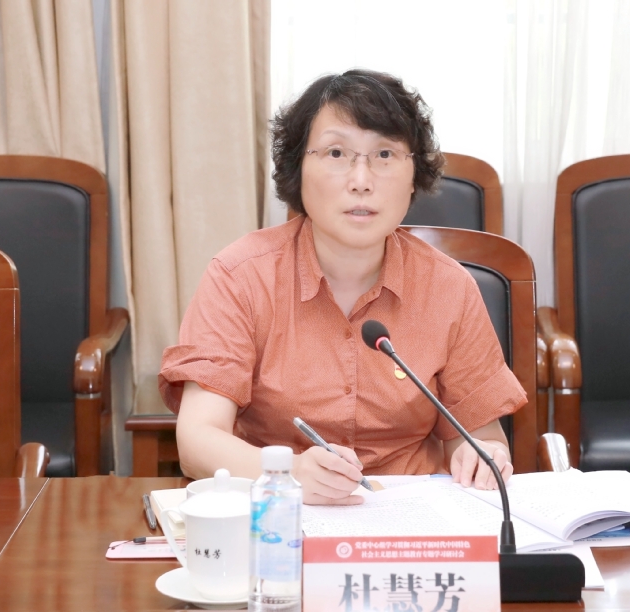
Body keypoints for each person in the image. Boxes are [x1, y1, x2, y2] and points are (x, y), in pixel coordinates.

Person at [159, 69, 527, 505]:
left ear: (414, 175)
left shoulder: (449, 287)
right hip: (280, 512)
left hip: (411, 518)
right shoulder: (241, 276)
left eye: (385, 154)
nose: (361, 180)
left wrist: (481, 455)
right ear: (298, 168)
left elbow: (480, 435)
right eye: (336, 153)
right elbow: (198, 439)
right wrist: (291, 473)